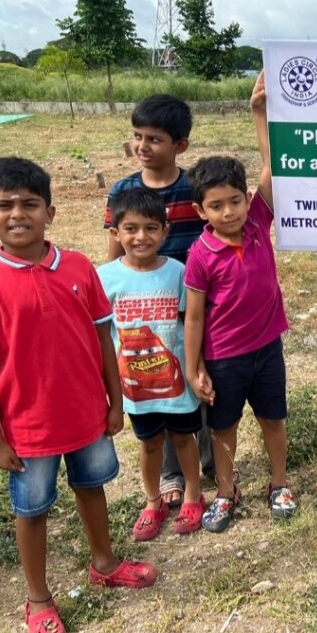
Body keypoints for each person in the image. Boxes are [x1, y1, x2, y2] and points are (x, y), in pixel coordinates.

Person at [0, 158, 157, 633]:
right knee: (34, 510)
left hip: (88, 415)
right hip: (28, 428)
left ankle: (105, 563)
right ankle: (39, 599)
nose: (18, 214)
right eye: (5, 205)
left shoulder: (78, 267)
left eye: (30, 204)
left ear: (51, 211)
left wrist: (115, 400)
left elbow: (102, 335)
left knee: (92, 488)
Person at [183, 71, 297, 533]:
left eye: (235, 200)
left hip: (267, 349)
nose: (229, 211)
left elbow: (273, 167)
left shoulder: (257, 223)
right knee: (224, 428)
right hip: (224, 357)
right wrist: (195, 369)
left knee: (273, 419)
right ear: (201, 212)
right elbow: (193, 316)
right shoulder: (199, 255)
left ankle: (279, 482)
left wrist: (259, 113)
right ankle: (227, 491)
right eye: (217, 205)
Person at [104, 94, 211, 511]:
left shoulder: (193, 187)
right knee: (152, 387)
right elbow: (113, 253)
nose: (143, 146)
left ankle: (201, 469)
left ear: (179, 145)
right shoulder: (123, 190)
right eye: (137, 137)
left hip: (192, 302)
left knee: (191, 381)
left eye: (154, 139)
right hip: (143, 306)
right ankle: (168, 475)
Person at [97, 188, 205, 540]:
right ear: (116, 233)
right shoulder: (105, 278)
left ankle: (192, 494)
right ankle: (152, 500)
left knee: (185, 439)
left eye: (150, 228)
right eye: (130, 228)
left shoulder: (178, 273)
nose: (141, 237)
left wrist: (197, 367)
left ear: (165, 231)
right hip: (135, 389)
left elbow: (192, 323)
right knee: (149, 445)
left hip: (177, 386)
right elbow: (99, 335)